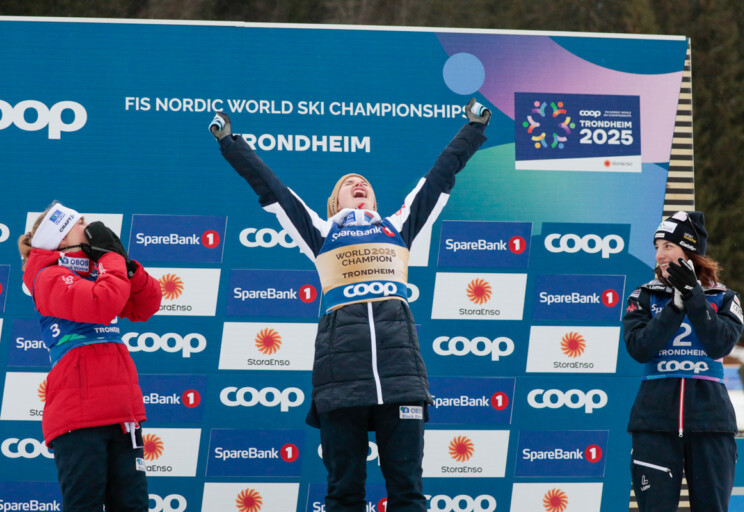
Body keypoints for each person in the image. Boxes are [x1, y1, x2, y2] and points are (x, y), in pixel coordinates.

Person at [209, 99, 490, 512]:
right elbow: (272, 188)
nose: (358, 184)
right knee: (344, 494)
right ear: (333, 204)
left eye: (364, 183)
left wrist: (473, 129)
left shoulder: (399, 227)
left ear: (374, 200)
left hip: (401, 379)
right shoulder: (321, 233)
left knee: (408, 493)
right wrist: (230, 143)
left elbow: (439, 177)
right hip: (341, 381)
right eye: (348, 183)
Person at [19, 202, 162, 511]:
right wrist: (111, 260)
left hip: (122, 412)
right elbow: (102, 304)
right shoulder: (48, 276)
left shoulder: (101, 271)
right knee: (84, 506)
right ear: (60, 237)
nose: (87, 224)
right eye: (77, 222)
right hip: (79, 414)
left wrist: (126, 265)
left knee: (133, 505)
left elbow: (147, 305)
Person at [623, 211, 744, 512]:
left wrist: (694, 298)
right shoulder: (644, 296)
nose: (659, 254)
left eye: (668, 246)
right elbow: (639, 348)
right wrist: (674, 308)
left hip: (711, 425)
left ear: (690, 252)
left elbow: (720, 343)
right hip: (654, 425)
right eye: (657, 247)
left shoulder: (725, 298)